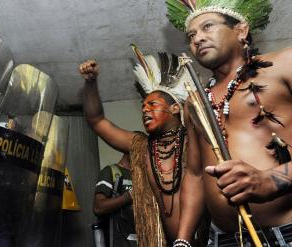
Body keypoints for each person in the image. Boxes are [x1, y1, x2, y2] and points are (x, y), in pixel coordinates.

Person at [165, 1, 292, 246]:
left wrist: (270, 179)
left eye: (207, 27)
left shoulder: (284, 65)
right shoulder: (195, 103)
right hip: (224, 239)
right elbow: (194, 175)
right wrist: (182, 240)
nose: (197, 39)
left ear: (241, 30)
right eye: (191, 35)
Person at [79, 47, 205, 246]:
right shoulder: (142, 147)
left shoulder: (195, 139)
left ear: (174, 108)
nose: (145, 110)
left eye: (153, 105)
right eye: (143, 107)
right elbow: (96, 120)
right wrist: (90, 83)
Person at [93, 153, 136, 247]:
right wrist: (128, 196)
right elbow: (98, 207)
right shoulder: (110, 172)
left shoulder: (142, 176)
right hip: (118, 241)